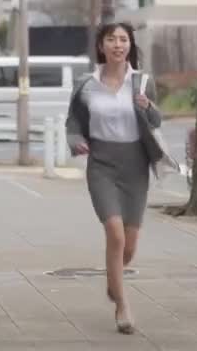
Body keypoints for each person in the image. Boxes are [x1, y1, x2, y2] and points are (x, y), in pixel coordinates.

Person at [65, 22, 162, 335]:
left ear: (130, 45)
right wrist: (76, 141)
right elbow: (73, 122)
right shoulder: (86, 84)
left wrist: (148, 106)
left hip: (135, 166)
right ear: (101, 46)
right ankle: (122, 305)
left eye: (123, 39)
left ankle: (113, 280)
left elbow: (157, 120)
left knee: (129, 247)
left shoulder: (142, 81)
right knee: (115, 235)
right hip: (102, 165)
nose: (118, 45)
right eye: (111, 39)